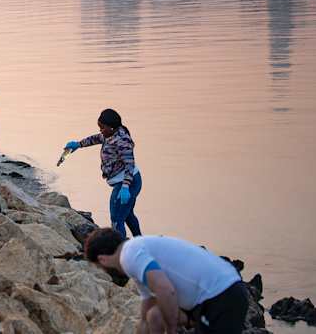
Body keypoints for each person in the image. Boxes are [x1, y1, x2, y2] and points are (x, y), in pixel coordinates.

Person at [84, 228, 247, 334]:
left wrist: (171, 329)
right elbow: (147, 314)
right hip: (210, 295)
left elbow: (165, 289)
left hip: (222, 294)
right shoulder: (134, 254)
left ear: (102, 259)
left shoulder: (129, 256)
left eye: (99, 268)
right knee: (154, 315)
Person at [59, 108, 142, 238]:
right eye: (99, 127)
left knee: (116, 219)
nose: (100, 131)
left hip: (128, 182)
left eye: (102, 128)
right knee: (127, 215)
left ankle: (119, 250)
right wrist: (78, 144)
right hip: (122, 182)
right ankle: (140, 242)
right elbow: (96, 138)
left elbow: (129, 165)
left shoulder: (122, 141)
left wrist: (126, 187)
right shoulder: (109, 134)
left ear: (112, 128)